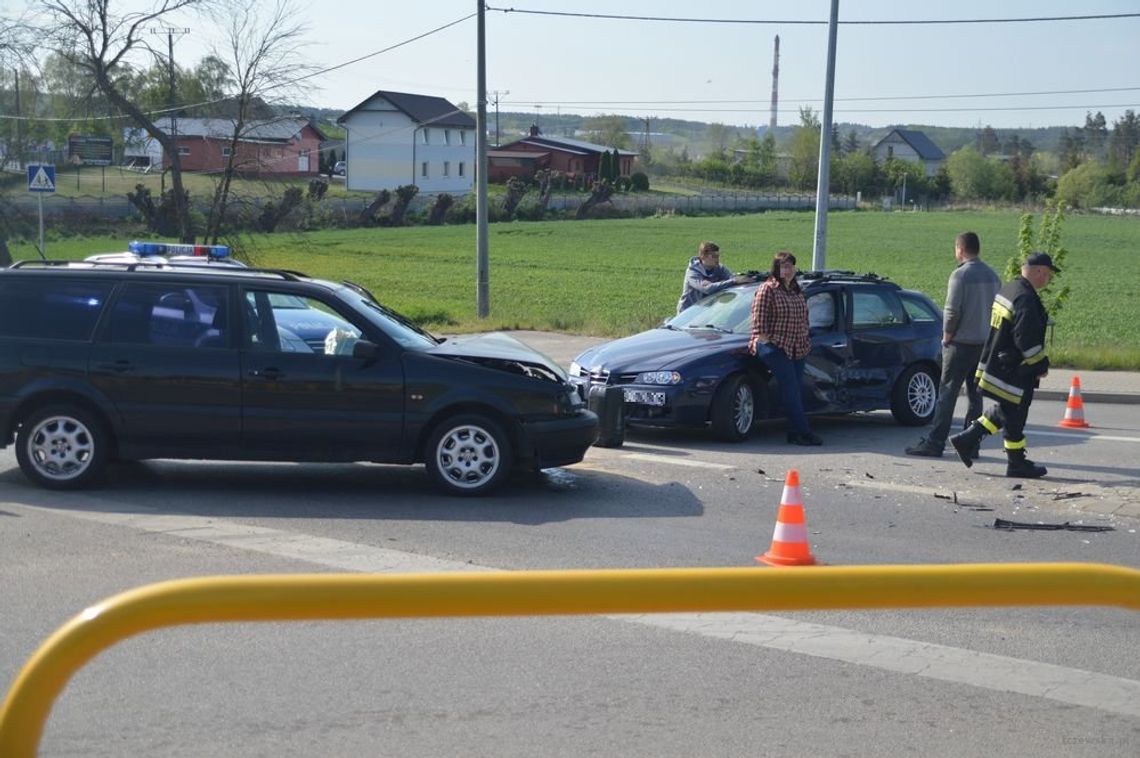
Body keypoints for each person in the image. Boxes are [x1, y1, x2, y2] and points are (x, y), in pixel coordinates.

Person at [949, 252, 1058, 478]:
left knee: (1007, 411)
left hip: (999, 363)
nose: (1048, 280)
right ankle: (1015, 463)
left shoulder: (1010, 289)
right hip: (1015, 368)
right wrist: (1040, 365)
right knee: (1015, 414)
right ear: (1039, 271)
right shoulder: (1025, 298)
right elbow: (1025, 339)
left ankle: (968, 439)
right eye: (1047, 275)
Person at [905, 231, 1001, 458]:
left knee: (947, 393)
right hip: (984, 345)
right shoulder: (993, 276)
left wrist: (947, 335)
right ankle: (971, 443)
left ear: (960, 249)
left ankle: (935, 442)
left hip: (960, 344)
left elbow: (951, 311)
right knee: (975, 396)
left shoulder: (960, 276)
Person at [749, 251, 821, 446]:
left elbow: (804, 320)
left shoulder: (797, 290)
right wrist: (771, 343)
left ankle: (793, 432)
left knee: (795, 389)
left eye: (791, 266)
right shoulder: (767, 290)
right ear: (776, 268)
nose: (788, 271)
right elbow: (758, 325)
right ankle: (803, 432)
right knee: (790, 388)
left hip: (798, 347)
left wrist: (805, 340)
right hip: (773, 346)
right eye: (784, 267)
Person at [676, 241, 753, 313]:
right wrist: (732, 281)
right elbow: (707, 289)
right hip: (687, 311)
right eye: (714, 256)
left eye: (718, 256)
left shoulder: (720, 268)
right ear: (703, 256)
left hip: (704, 310)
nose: (717, 259)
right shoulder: (693, 272)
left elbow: (733, 279)